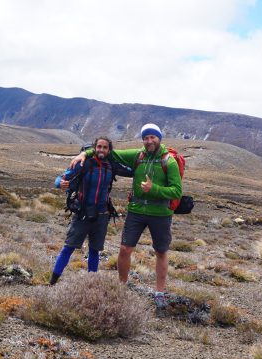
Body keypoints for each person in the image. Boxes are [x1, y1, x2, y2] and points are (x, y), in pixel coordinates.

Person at [69, 123, 181, 307]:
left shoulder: (169, 161)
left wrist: (155, 189)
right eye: (145, 137)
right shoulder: (138, 155)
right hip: (136, 211)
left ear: (159, 138)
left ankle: (159, 292)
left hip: (160, 213)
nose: (149, 140)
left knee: (161, 252)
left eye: (152, 137)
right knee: (124, 249)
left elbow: (176, 191)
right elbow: (109, 152)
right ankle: (122, 286)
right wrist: (84, 153)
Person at [49, 136, 122, 285]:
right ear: (94, 148)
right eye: (99, 147)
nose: (101, 150)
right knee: (68, 248)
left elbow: (132, 170)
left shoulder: (111, 166)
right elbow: (60, 178)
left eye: (105, 147)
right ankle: (52, 282)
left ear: (109, 150)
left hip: (101, 215)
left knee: (94, 251)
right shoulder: (83, 163)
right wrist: (60, 183)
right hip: (82, 214)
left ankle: (91, 284)